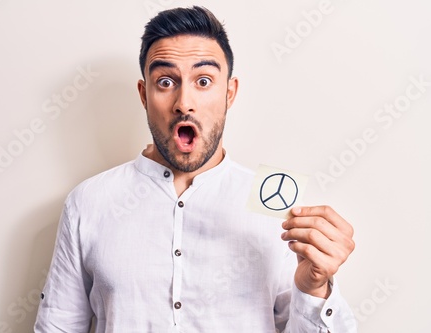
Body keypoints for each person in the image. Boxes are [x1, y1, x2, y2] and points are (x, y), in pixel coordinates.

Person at [34, 6, 357, 332]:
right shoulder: (89, 202)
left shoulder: (276, 208)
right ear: (145, 95)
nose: (184, 102)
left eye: (203, 81)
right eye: (165, 82)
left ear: (229, 93)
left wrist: (314, 288)